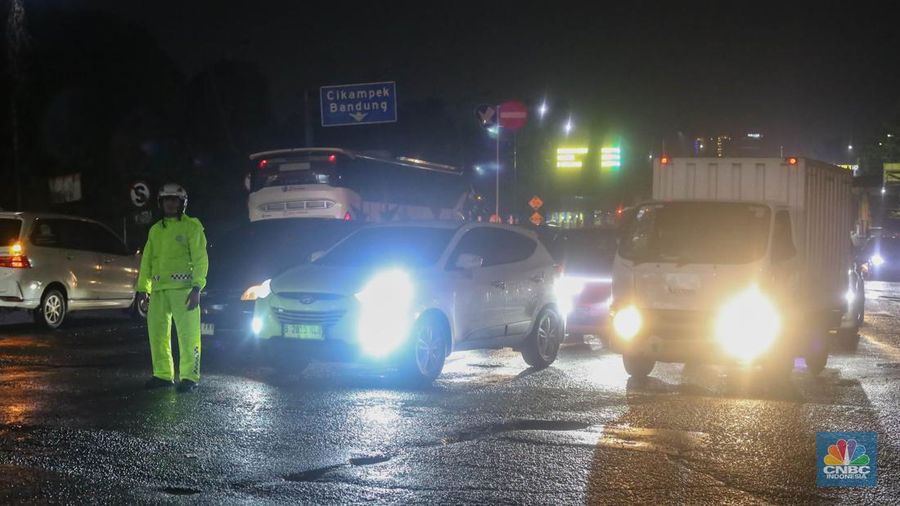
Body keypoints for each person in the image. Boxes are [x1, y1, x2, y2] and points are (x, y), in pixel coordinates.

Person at [136, 183, 209, 393]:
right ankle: (162, 374)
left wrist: (197, 288)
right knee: (157, 335)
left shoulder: (192, 227)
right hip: (159, 291)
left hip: (184, 291)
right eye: (166, 199)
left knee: (189, 336)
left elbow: (200, 259)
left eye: (174, 200)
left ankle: (189, 377)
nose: (169, 203)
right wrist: (143, 289)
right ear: (161, 203)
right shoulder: (155, 230)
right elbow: (147, 261)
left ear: (182, 203)